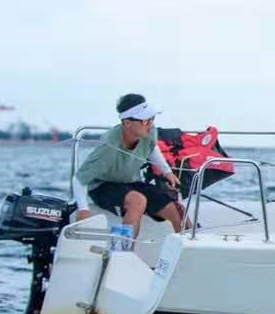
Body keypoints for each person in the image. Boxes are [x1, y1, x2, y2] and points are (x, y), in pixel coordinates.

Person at [72, 94, 188, 236]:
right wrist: (83, 209)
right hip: (102, 185)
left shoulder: (150, 132)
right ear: (127, 123)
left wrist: (167, 172)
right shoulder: (108, 146)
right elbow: (79, 179)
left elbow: (152, 149)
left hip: (130, 183)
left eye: (152, 118)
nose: (151, 124)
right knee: (137, 201)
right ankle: (122, 248)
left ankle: (189, 249)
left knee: (177, 209)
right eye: (145, 120)